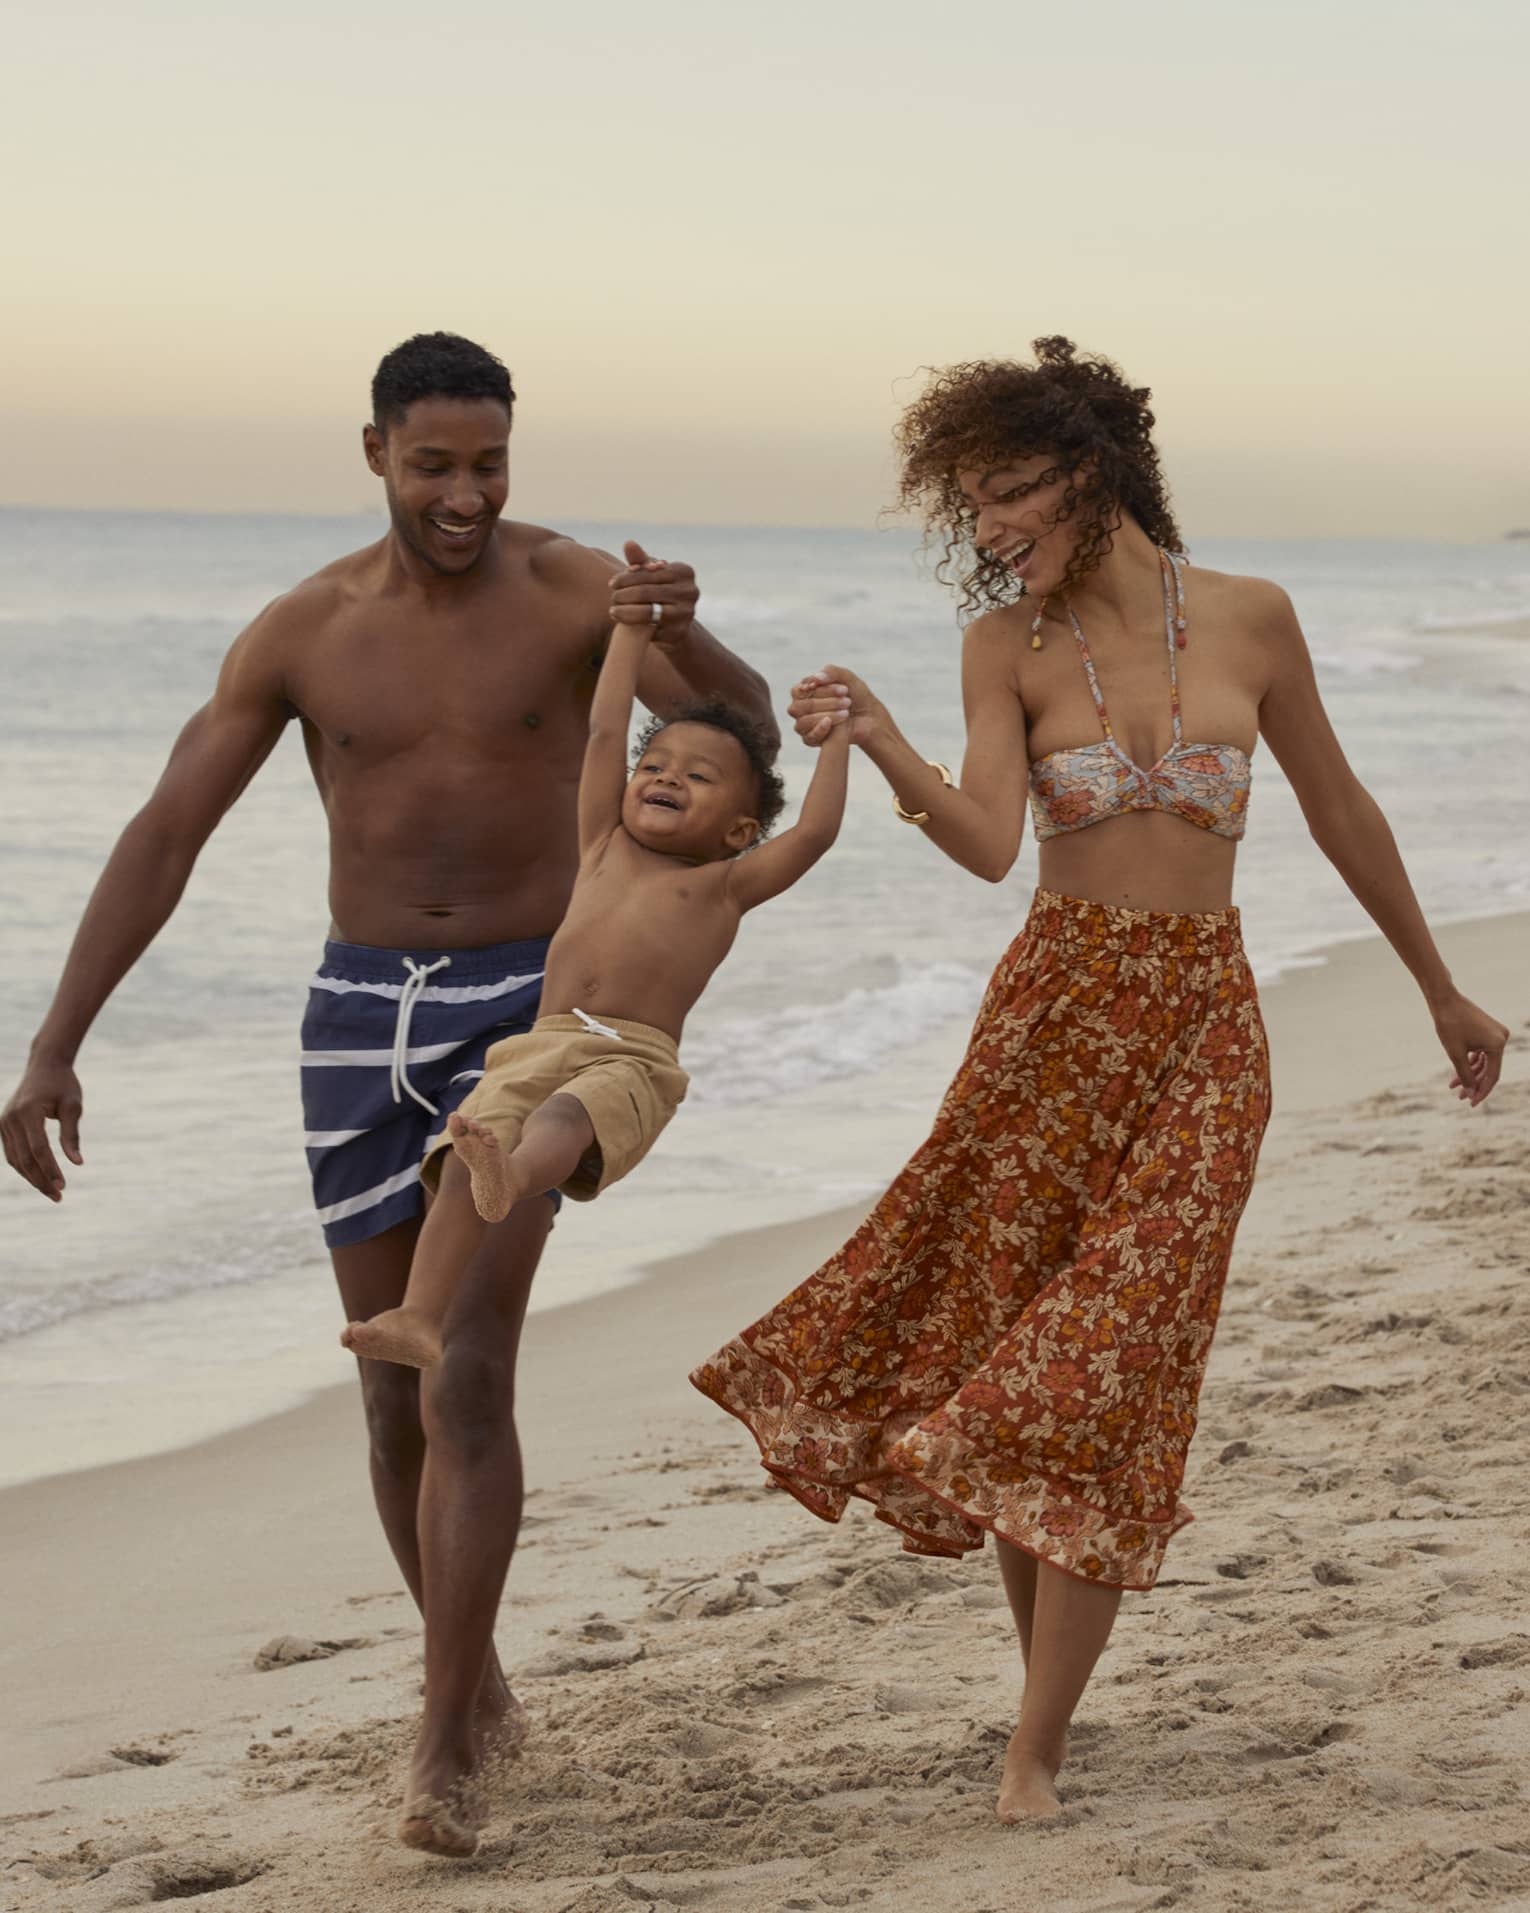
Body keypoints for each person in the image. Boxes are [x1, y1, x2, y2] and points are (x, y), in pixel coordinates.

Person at [690, 336, 1509, 1826]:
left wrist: (1436, 984)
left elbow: (1338, 808)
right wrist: (877, 743)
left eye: (1010, 487)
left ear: (1093, 468)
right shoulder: (1001, 645)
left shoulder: (1252, 620)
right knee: (1024, 1363)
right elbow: (993, 840)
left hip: (1200, 1032)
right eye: (973, 498)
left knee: (1102, 1368)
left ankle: (1037, 1748)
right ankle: (1043, 1704)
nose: (991, 520)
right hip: (1048, 1028)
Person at [0, 331, 775, 1854]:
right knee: (386, 1388)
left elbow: (740, 732)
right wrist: (53, 1041)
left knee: (466, 1366)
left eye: (490, 462)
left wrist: (696, 627)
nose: (468, 493)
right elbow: (170, 830)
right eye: (436, 465)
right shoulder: (302, 632)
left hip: (522, 1013)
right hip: (354, 1016)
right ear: (374, 455)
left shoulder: (570, 593)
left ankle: (438, 1752)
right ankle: (474, 1683)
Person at [341, 621, 848, 1390]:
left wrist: (838, 738)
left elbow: (814, 832)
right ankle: (419, 1314)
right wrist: (627, 633)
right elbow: (607, 726)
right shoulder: (601, 843)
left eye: (699, 778)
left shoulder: (724, 885)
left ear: (740, 831)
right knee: (454, 1160)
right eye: (655, 765)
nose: (666, 777)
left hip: (629, 1057)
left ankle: (510, 1179)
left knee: (561, 1121)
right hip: (536, 1043)